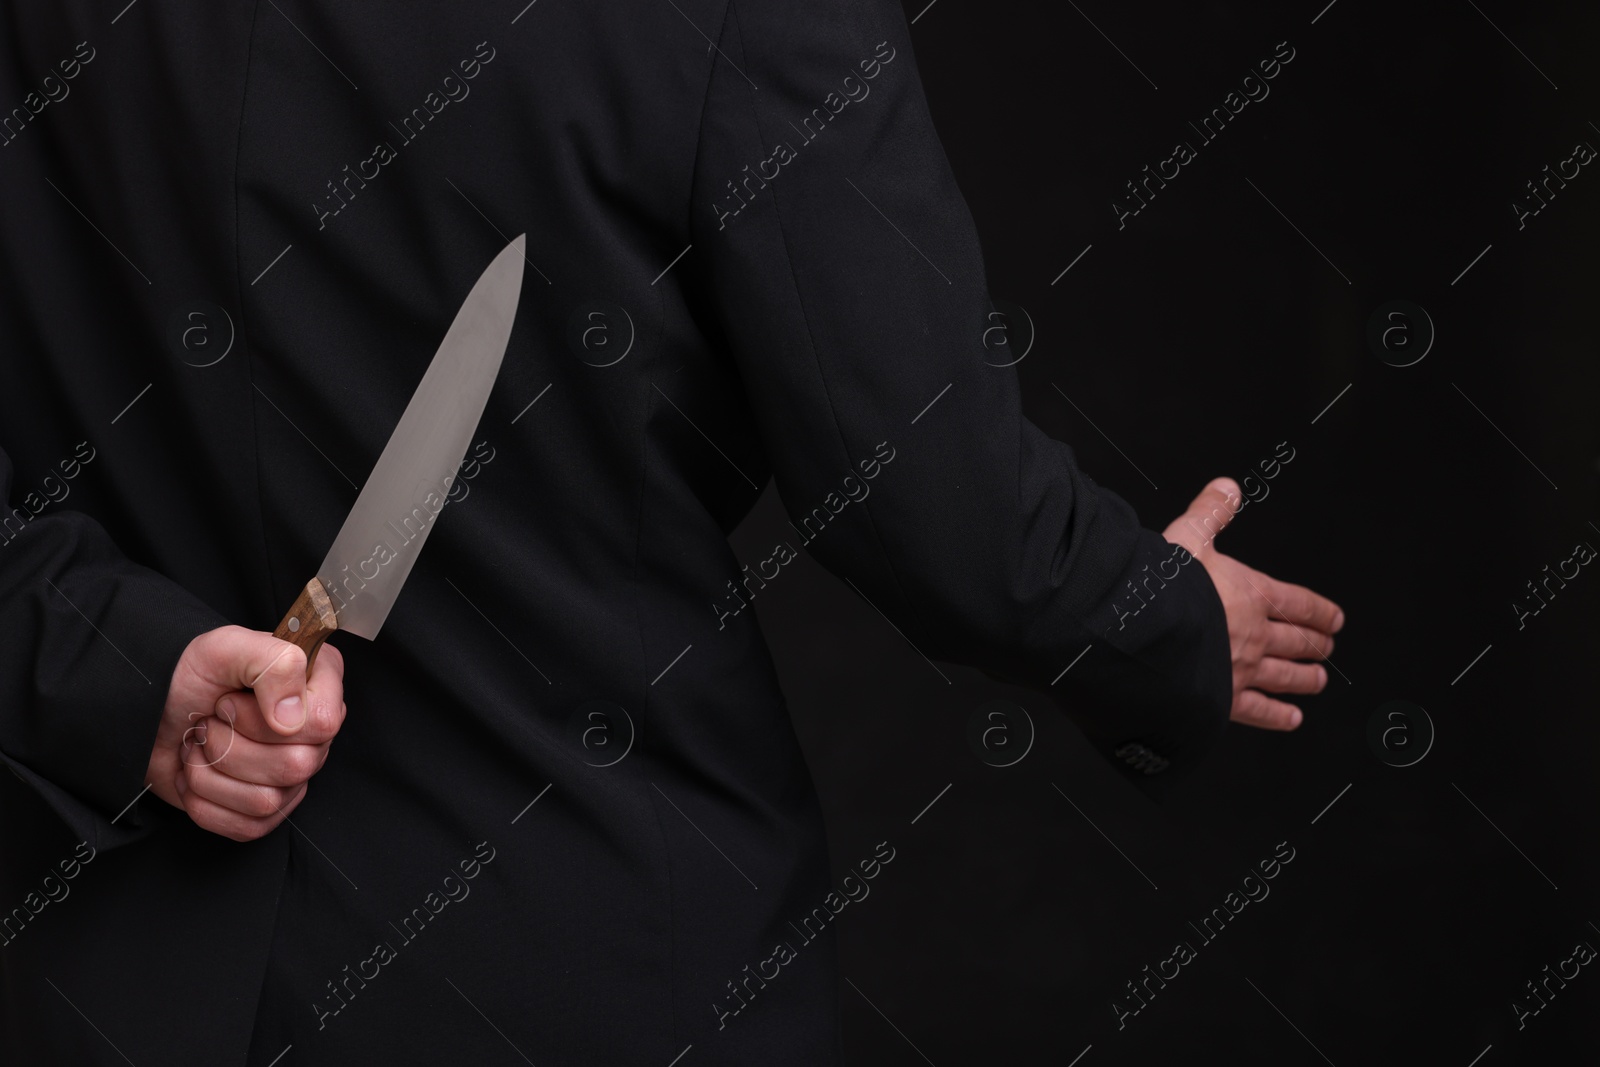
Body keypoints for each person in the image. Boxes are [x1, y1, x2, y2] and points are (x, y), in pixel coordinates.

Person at [0, 0, 1340, 1062]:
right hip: (584, 970)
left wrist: (121, 667)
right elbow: (939, 512)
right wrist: (1152, 615)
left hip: (106, 992)